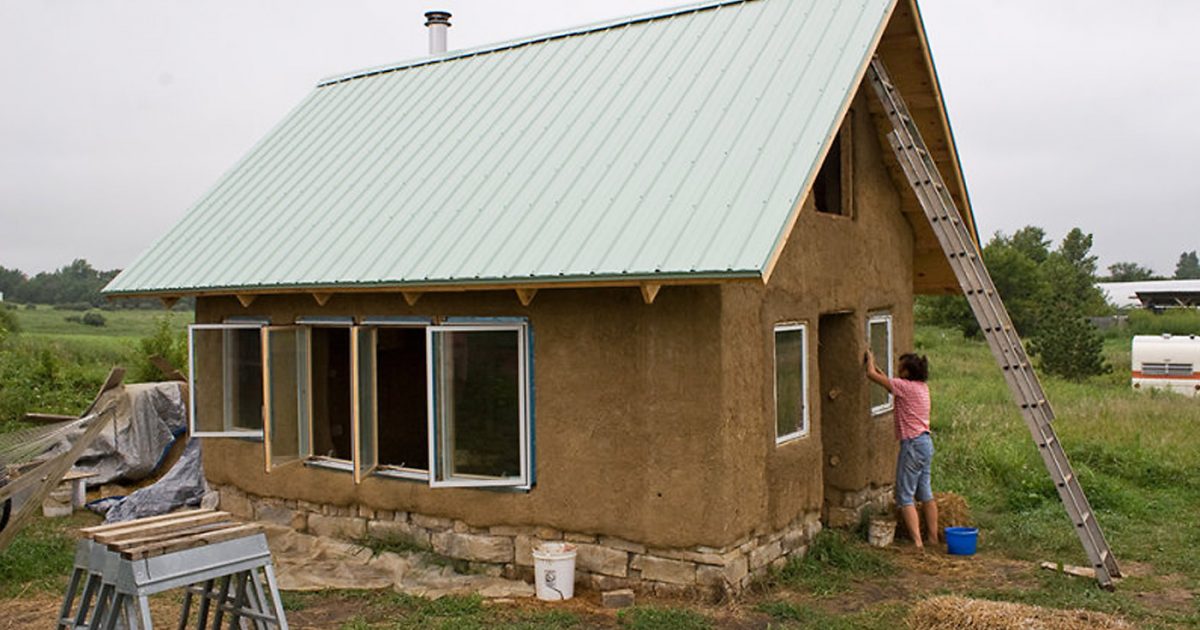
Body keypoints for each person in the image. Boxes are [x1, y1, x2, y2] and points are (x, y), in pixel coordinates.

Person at [866, 350, 939, 551]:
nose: (898, 369)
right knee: (925, 493)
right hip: (925, 444)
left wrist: (869, 359)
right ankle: (933, 539)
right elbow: (886, 381)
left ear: (906, 372)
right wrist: (881, 372)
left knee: (905, 496)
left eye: (900, 367)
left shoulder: (903, 387)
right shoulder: (921, 388)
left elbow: (872, 375)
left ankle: (917, 544)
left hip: (912, 445)